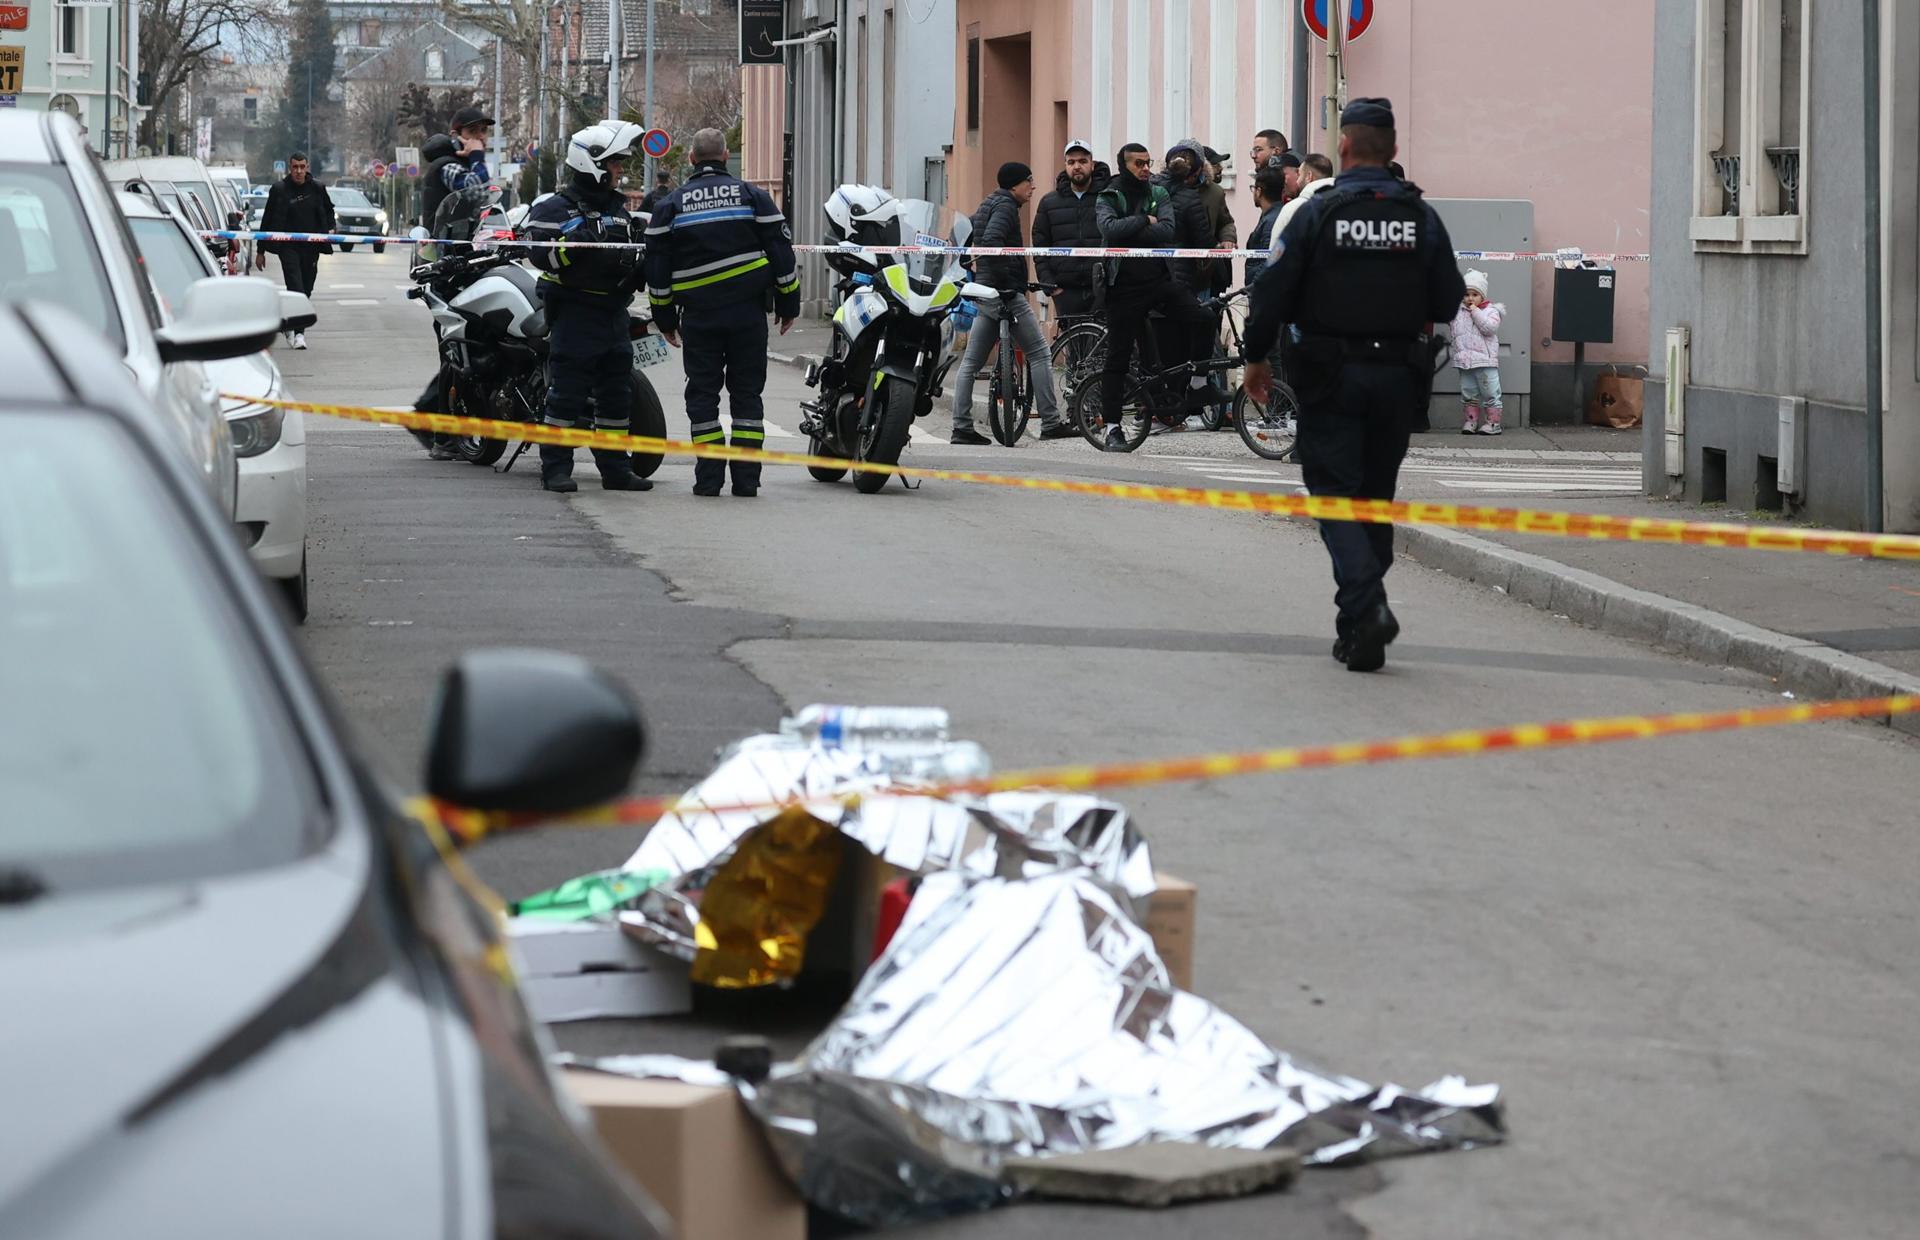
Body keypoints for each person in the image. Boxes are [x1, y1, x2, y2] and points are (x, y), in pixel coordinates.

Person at [1243, 98, 1466, 673]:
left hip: (1329, 376)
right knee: (1373, 500)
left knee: (1333, 497)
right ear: (1392, 149)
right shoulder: (1420, 216)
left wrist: (1255, 358)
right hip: (1398, 378)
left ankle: (1367, 605)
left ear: (1343, 147)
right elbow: (1447, 300)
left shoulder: (1320, 213)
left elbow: (1272, 290)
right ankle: (1356, 625)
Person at [644, 127, 800, 496]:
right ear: (726, 155)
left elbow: (657, 271)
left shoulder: (671, 205)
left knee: (703, 395)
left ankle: (709, 479)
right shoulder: (752, 196)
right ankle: (746, 481)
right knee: (747, 396)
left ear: (692, 159)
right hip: (747, 315)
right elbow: (781, 252)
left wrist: (665, 319)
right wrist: (788, 302)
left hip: (700, 317)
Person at [523, 120, 654, 494]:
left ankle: (616, 470)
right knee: (566, 396)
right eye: (614, 162)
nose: (620, 169)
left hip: (614, 314)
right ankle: (557, 469)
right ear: (591, 162)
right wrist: (581, 239)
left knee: (616, 397)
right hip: (575, 316)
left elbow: (631, 255)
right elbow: (540, 255)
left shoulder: (619, 209)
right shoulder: (554, 209)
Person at [1091, 143, 1217, 450]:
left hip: (1159, 281)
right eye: (1138, 164)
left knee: (1205, 316)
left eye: (1148, 163)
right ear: (1123, 166)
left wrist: (1134, 227)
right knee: (1118, 357)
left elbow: (1167, 231)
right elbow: (1109, 228)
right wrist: (1145, 221)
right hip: (1122, 288)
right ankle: (1111, 427)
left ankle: (1199, 384)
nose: (1146, 169)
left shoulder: (1158, 193)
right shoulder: (1110, 194)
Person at [948, 161, 1071, 444]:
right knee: (1039, 353)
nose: (1033, 186)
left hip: (986, 292)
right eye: (1029, 181)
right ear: (1015, 184)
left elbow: (969, 230)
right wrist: (1007, 280)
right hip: (1004, 293)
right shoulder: (1005, 207)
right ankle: (1051, 422)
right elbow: (992, 241)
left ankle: (961, 427)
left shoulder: (989, 203)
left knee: (971, 362)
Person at [255, 152, 333, 349]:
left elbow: (329, 210)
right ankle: (299, 334)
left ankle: (289, 322)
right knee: (296, 287)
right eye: (295, 167)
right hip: (287, 247)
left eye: (302, 167)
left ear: (307, 167)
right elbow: (267, 219)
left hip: (311, 247)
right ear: (290, 168)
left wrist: (330, 230)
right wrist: (261, 250)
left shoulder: (317, 188)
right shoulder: (279, 189)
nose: (298, 171)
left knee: (306, 289)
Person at [1032, 139, 1111, 321]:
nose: (1077, 167)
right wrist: (1049, 283)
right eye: (1071, 162)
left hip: (1102, 287)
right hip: (1065, 289)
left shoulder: (1107, 197)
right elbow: (1040, 244)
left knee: (1103, 344)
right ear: (1065, 165)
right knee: (1075, 345)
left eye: (1083, 161)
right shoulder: (1049, 202)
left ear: (1092, 164)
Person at [1450, 270, 1506, 435]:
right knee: (1468, 393)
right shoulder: (1458, 312)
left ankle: (1493, 423)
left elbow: (1489, 328)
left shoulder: (1491, 311)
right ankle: (1471, 421)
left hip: (1485, 361)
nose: (1470, 298)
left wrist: (1475, 311)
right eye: (1466, 294)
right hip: (1465, 361)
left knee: (1490, 392)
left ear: (1482, 295)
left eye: (1474, 294)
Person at [1273, 153, 1335, 240]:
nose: (1297, 181)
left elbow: (1276, 249)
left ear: (1309, 176)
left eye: (1299, 174)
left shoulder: (1293, 209)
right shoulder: (1342, 205)